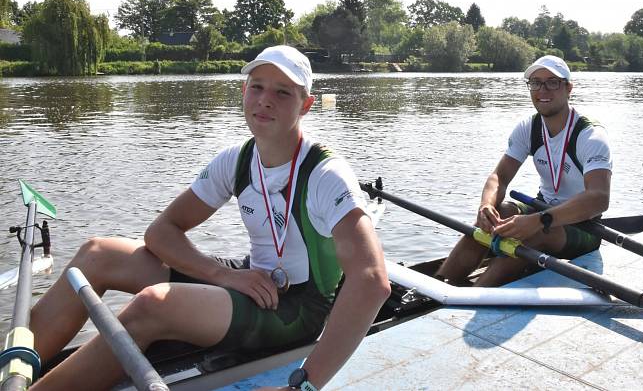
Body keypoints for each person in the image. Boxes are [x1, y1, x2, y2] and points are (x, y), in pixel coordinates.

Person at [30, 45, 391, 391]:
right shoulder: (236, 160)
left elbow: (371, 280)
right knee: (98, 253)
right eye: (257, 87)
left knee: (154, 305)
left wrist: (307, 386)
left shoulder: (327, 174)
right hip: (254, 278)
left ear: (306, 105)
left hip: (297, 310)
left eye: (283, 92)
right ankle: (11, 370)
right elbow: (161, 232)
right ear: (244, 91)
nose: (265, 99)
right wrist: (225, 275)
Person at [437, 55, 612, 287]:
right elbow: (499, 177)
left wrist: (540, 220)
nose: (543, 89)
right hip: (542, 210)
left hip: (584, 226)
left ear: (568, 88)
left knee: (533, 233)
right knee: (499, 213)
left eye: (552, 82)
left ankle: (476, 294)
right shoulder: (529, 128)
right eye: (536, 82)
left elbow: (598, 198)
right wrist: (486, 206)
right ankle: (437, 286)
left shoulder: (590, 135)